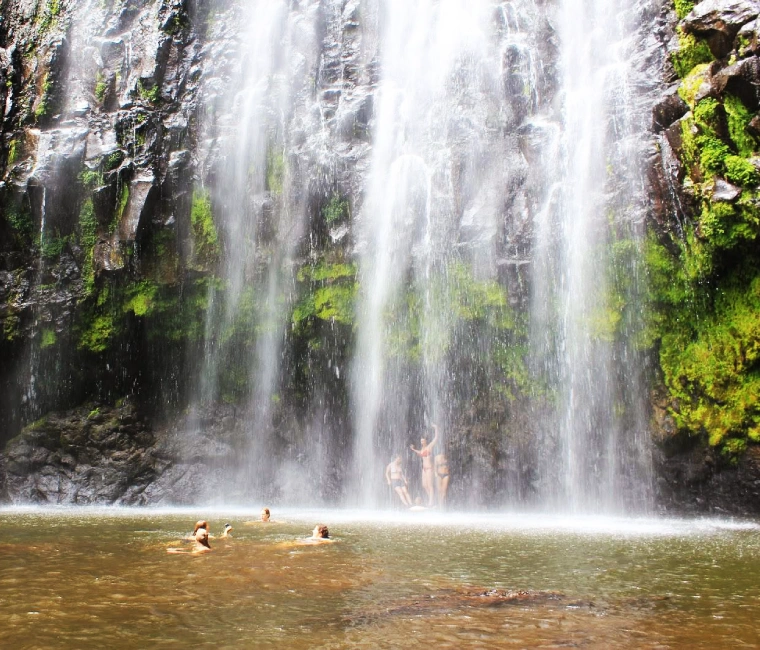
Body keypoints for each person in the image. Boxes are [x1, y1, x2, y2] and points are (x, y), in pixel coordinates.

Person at [410, 423, 439, 506]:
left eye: (423, 441)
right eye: (421, 441)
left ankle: (431, 502)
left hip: (429, 468)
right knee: (424, 485)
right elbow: (421, 453)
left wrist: (436, 428)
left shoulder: (429, 446)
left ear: (426, 441)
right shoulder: (422, 449)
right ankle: (432, 499)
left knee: (430, 485)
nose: (421, 442)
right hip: (424, 469)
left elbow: (436, 438)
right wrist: (414, 450)